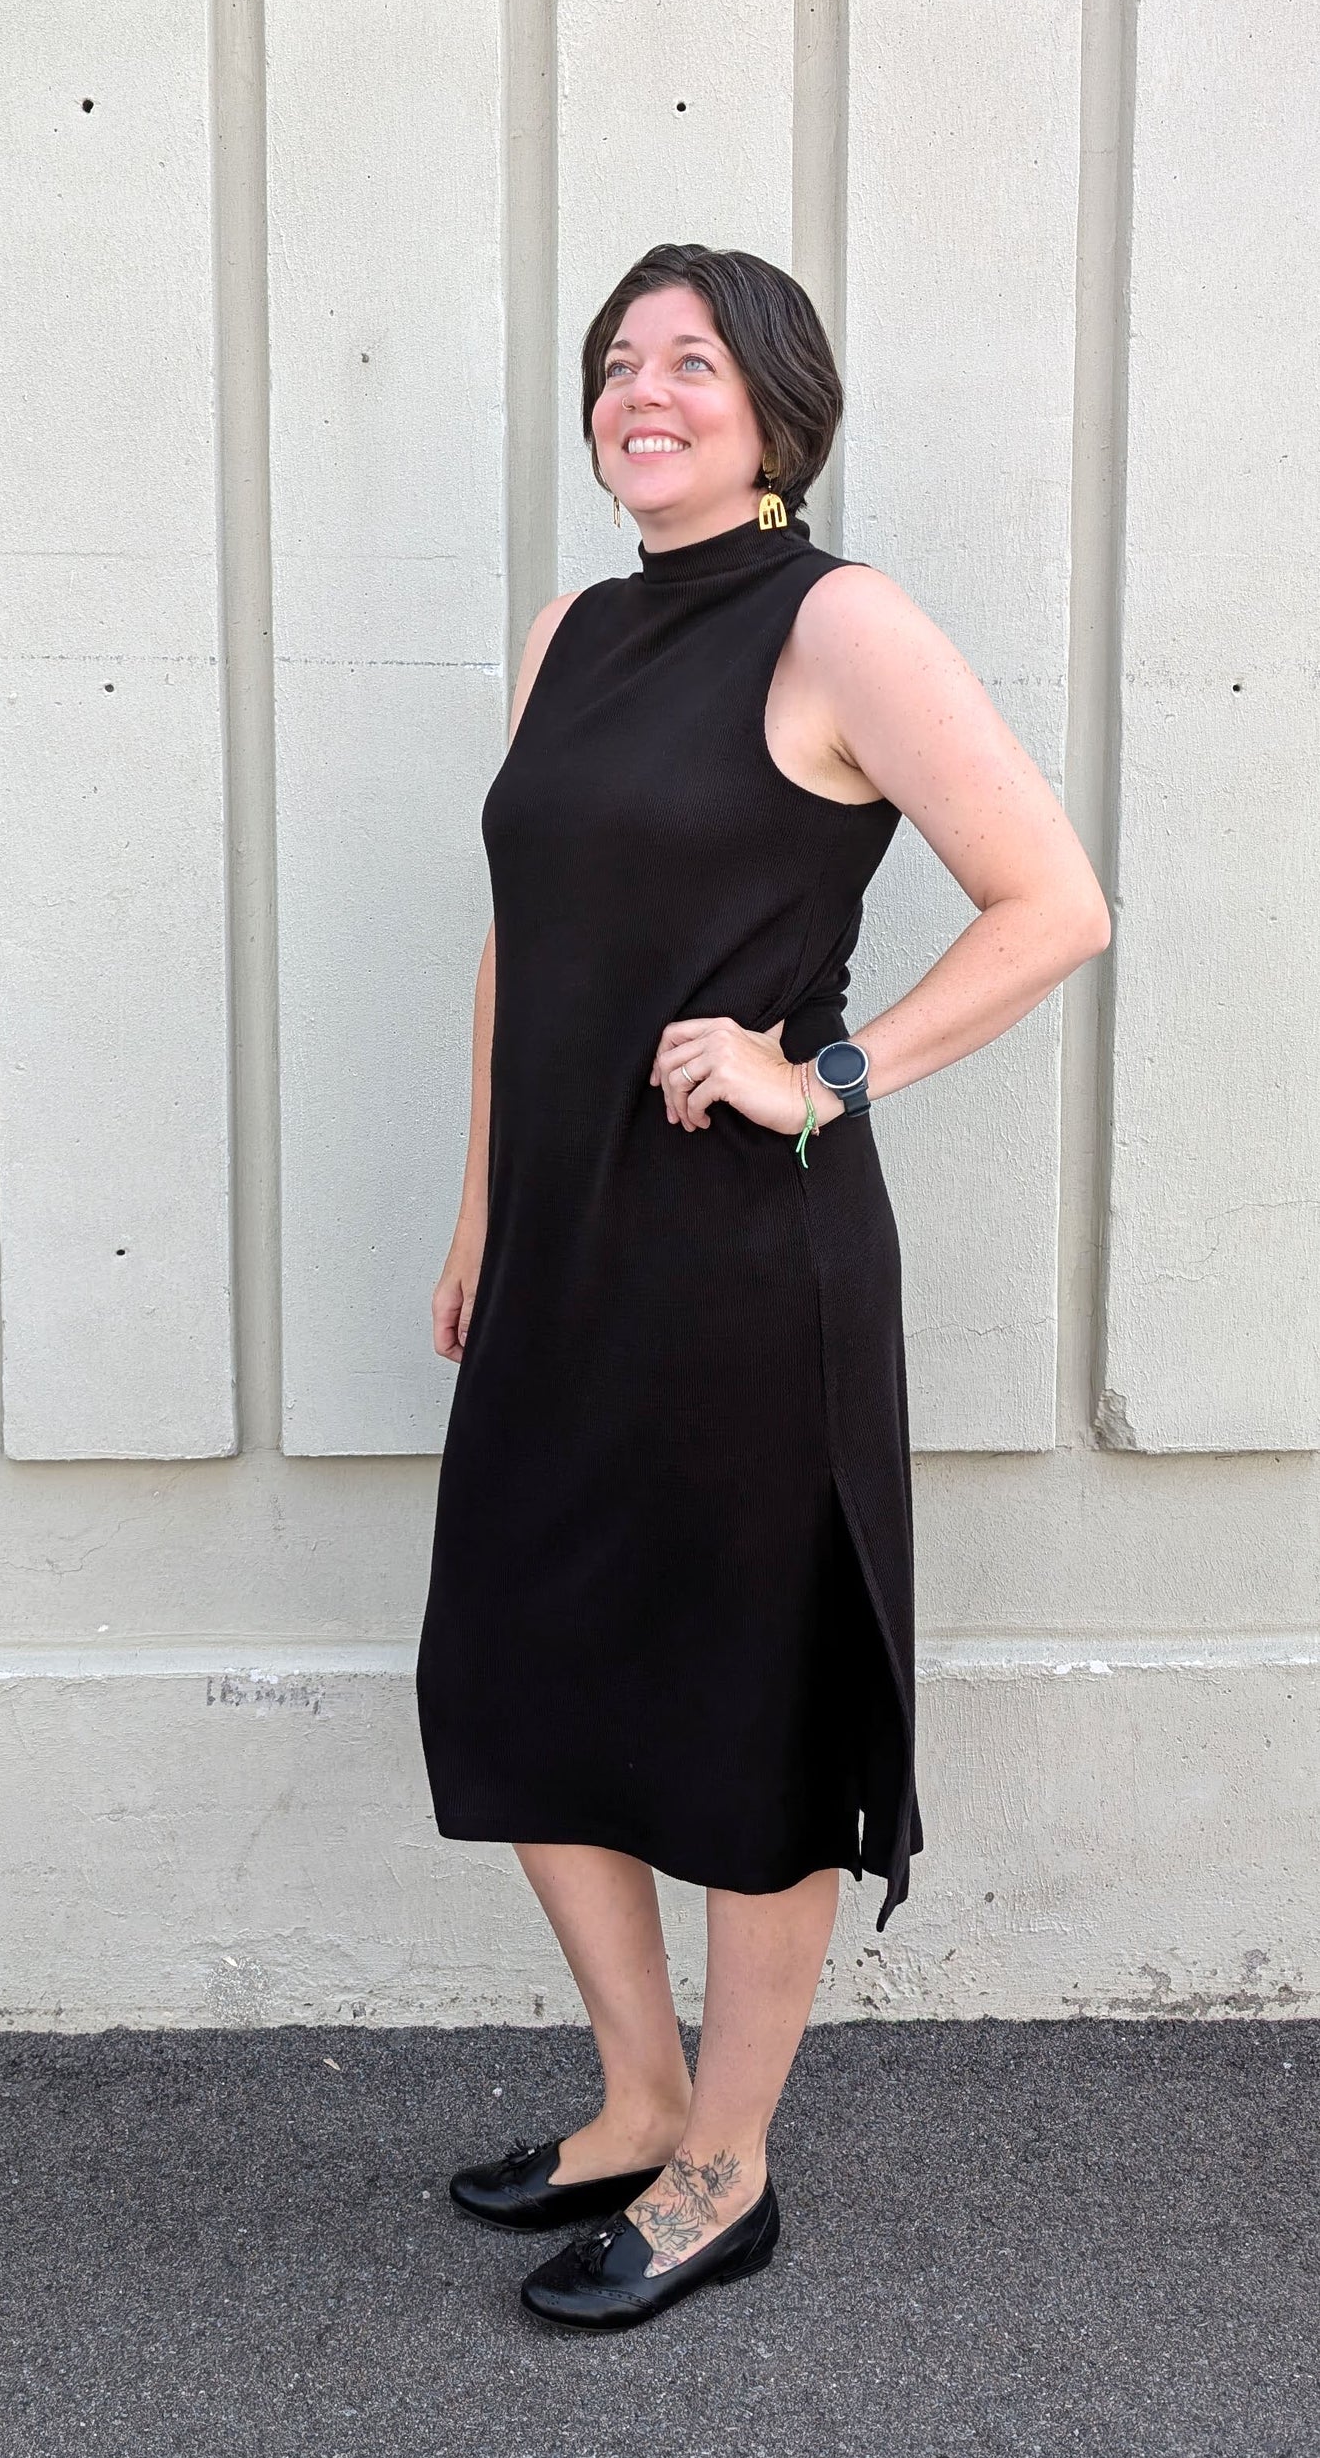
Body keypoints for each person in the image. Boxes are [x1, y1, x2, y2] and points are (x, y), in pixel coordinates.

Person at [414, 242, 1111, 2334]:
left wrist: (821, 1069)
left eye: (688, 363)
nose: (643, 393)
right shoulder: (572, 630)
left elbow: (1051, 901)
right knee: (516, 1663)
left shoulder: (839, 622)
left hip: (743, 1258)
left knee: (737, 1704)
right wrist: (476, 1208)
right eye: (617, 365)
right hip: (564, 1240)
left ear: (774, 406)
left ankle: (727, 2157)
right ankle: (635, 2093)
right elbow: (517, 942)